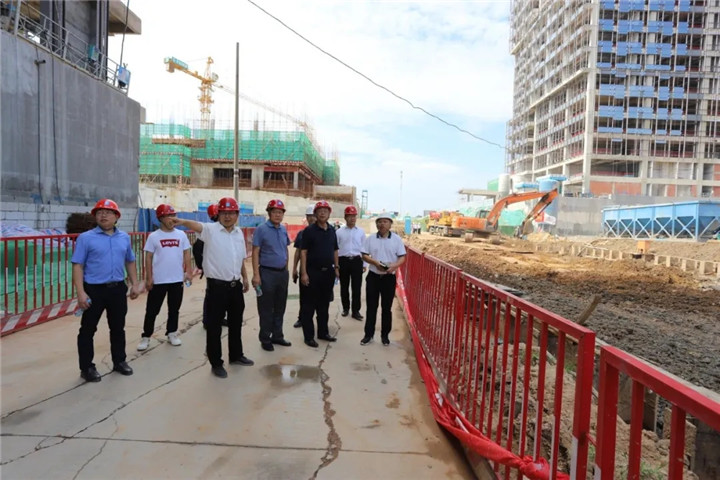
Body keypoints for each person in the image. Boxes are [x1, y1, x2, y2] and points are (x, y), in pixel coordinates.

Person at [170, 197, 254, 378]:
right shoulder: (211, 230)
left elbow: (239, 258)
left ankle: (236, 355)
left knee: (236, 323)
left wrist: (245, 277)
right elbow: (197, 226)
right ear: (218, 214)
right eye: (224, 213)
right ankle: (216, 363)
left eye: (231, 213)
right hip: (217, 288)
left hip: (235, 286)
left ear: (237, 215)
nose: (227, 216)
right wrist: (182, 221)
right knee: (214, 327)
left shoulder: (238, 233)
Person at [72, 199, 142, 382]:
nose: (103, 215)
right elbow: (78, 265)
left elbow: (130, 261)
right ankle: (87, 367)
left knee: (118, 328)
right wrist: (81, 293)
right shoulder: (86, 238)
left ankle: (119, 361)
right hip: (94, 290)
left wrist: (135, 283)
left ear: (116, 217)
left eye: (108, 212)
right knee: (88, 330)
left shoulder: (124, 238)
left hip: (117, 289)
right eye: (99, 212)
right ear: (95, 216)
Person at [137, 204, 192, 351]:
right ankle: (146, 336)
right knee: (152, 310)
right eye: (168, 216)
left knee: (174, 309)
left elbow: (187, 253)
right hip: (159, 280)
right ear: (160, 218)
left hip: (176, 279)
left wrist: (188, 272)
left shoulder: (181, 235)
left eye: (173, 215)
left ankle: (172, 333)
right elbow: (148, 257)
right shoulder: (154, 237)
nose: (172, 219)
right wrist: (149, 278)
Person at [360, 213, 407, 346]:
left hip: (388, 278)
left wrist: (394, 266)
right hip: (373, 277)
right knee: (371, 307)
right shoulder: (370, 239)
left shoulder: (396, 239)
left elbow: (402, 257)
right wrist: (375, 263)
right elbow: (364, 255)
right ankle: (368, 335)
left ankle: (385, 336)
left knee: (386, 308)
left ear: (390, 224)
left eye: (385, 222)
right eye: (379, 222)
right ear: (376, 224)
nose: (382, 224)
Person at [252, 199, 291, 352]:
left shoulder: (283, 229)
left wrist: (286, 268)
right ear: (269, 213)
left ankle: (277, 335)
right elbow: (255, 252)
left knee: (280, 306)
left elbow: (285, 249)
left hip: (282, 274)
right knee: (266, 308)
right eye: (275, 212)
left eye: (280, 212)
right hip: (267, 273)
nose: (277, 215)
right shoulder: (261, 229)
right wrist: (256, 275)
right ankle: (265, 338)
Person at [299, 200, 339, 347]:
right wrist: (304, 273)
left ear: (329, 214)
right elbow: (303, 252)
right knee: (308, 306)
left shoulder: (332, 230)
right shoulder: (309, 231)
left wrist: (336, 268)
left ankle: (323, 332)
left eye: (325, 211)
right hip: (312, 273)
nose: (322, 213)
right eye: (319, 211)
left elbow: (335, 250)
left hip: (327, 273)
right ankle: (308, 337)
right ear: (315, 214)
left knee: (324, 305)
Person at [192, 203, 228, 329]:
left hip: (223, 268)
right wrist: (203, 266)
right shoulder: (209, 231)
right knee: (211, 296)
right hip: (213, 270)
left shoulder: (224, 231)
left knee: (223, 296)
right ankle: (207, 321)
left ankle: (220, 318)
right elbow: (197, 249)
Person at [336, 205, 366, 321]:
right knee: (344, 286)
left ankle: (356, 311)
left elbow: (364, 248)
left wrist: (364, 264)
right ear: (345, 217)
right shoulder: (339, 232)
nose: (352, 218)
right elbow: (335, 249)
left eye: (354, 216)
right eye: (349, 216)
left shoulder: (361, 232)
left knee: (356, 287)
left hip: (357, 261)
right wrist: (336, 266)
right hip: (343, 261)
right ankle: (345, 308)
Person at [291, 204, 316, 328]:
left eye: (313, 215)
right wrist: (294, 268)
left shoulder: (325, 232)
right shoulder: (302, 233)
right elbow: (297, 252)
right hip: (305, 270)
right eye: (309, 216)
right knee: (304, 296)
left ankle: (320, 321)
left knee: (319, 298)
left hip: (319, 271)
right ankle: (302, 318)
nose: (312, 218)